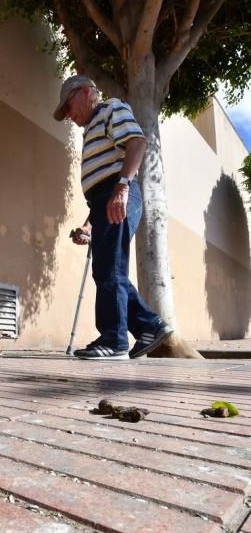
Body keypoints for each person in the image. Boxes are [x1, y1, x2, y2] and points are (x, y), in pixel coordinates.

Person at [54, 75, 173, 360]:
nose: (69, 116)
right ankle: (150, 326)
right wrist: (89, 223)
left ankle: (115, 340)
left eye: (68, 107)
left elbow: (137, 143)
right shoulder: (93, 127)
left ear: (85, 92)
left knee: (109, 269)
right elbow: (100, 183)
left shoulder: (111, 109)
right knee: (108, 269)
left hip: (119, 192)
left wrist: (121, 188)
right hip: (104, 200)